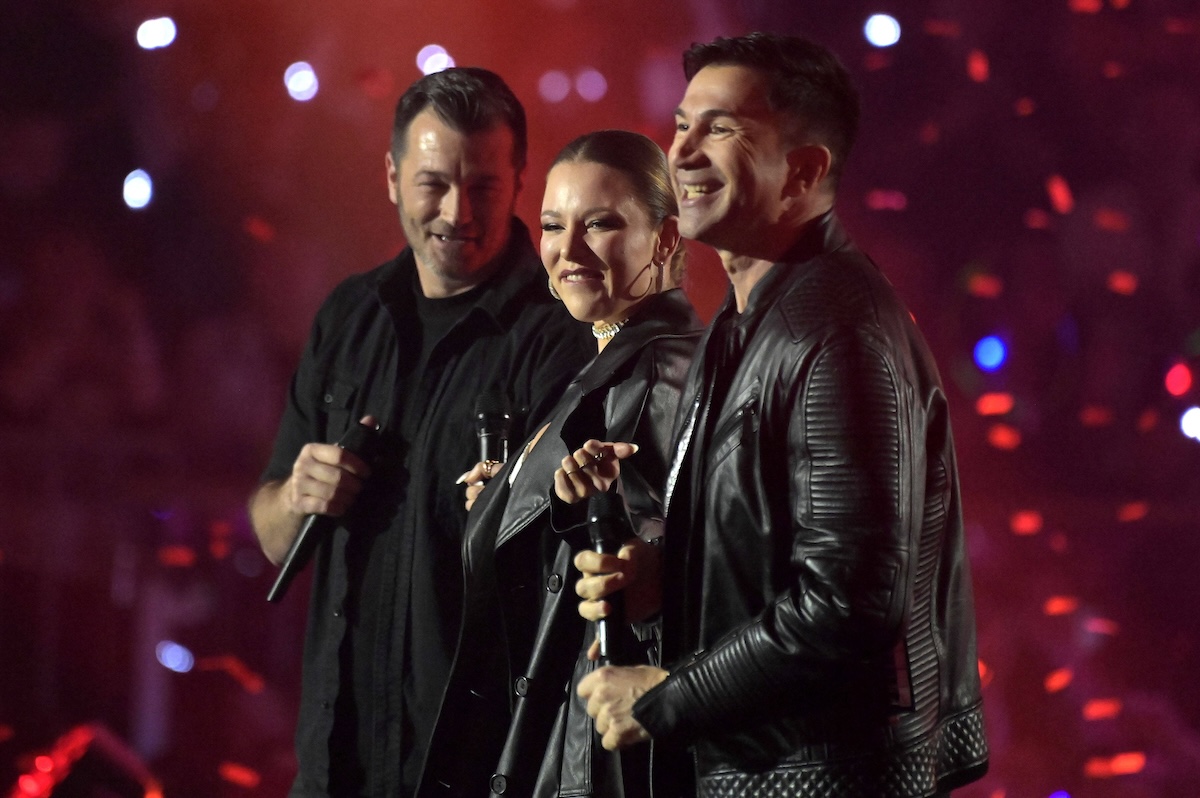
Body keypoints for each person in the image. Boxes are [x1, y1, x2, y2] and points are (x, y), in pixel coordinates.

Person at [560, 32, 989, 797]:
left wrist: (666, 700)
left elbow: (847, 603)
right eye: (682, 125)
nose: (681, 153)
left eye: (719, 129)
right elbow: (781, 555)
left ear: (805, 171)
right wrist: (668, 578)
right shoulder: (745, 320)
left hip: (824, 776)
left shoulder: (837, 328)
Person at [248, 67, 593, 797]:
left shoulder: (560, 336)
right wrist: (295, 496)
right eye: (433, 181)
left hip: (477, 773)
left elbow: (582, 577)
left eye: (483, 187)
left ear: (519, 184)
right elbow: (272, 533)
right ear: (391, 176)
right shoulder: (348, 316)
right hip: (334, 768)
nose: (457, 211)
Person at [418, 130, 702, 798]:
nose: (566, 250)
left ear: (666, 239)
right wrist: (512, 504)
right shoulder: (604, 365)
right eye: (551, 224)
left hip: (593, 757)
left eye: (599, 224)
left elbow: (656, 581)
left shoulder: (661, 374)